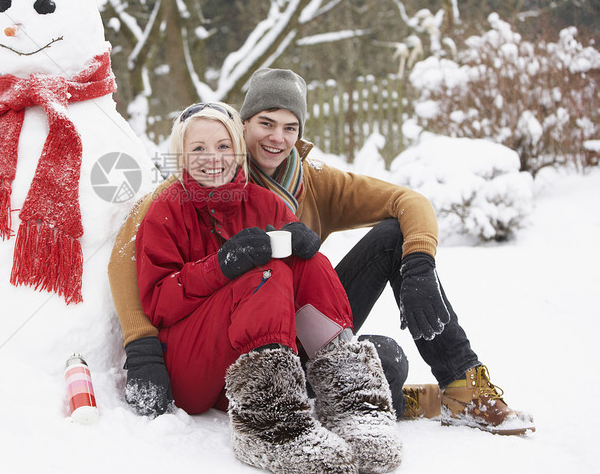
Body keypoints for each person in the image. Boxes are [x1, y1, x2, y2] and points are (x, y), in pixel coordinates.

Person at [111, 68, 535, 437]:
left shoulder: (313, 182)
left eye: (290, 127)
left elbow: (410, 201)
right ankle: (369, 398)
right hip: (237, 331)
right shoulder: (197, 179)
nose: (277, 138)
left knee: (391, 262)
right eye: (265, 123)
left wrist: (420, 262)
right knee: (384, 362)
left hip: (302, 317)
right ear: (241, 127)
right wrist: (142, 347)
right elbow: (127, 260)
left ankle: (461, 385)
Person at [134, 101, 401, 474]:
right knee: (265, 273)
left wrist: (301, 242)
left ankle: (352, 403)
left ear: (238, 149)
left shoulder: (264, 202)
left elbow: (305, 276)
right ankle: (270, 428)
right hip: (193, 366)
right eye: (198, 148)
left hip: (252, 365)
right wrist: (220, 265)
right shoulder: (166, 209)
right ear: (180, 155)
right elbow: (157, 303)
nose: (213, 157)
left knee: (310, 261)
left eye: (223, 146)